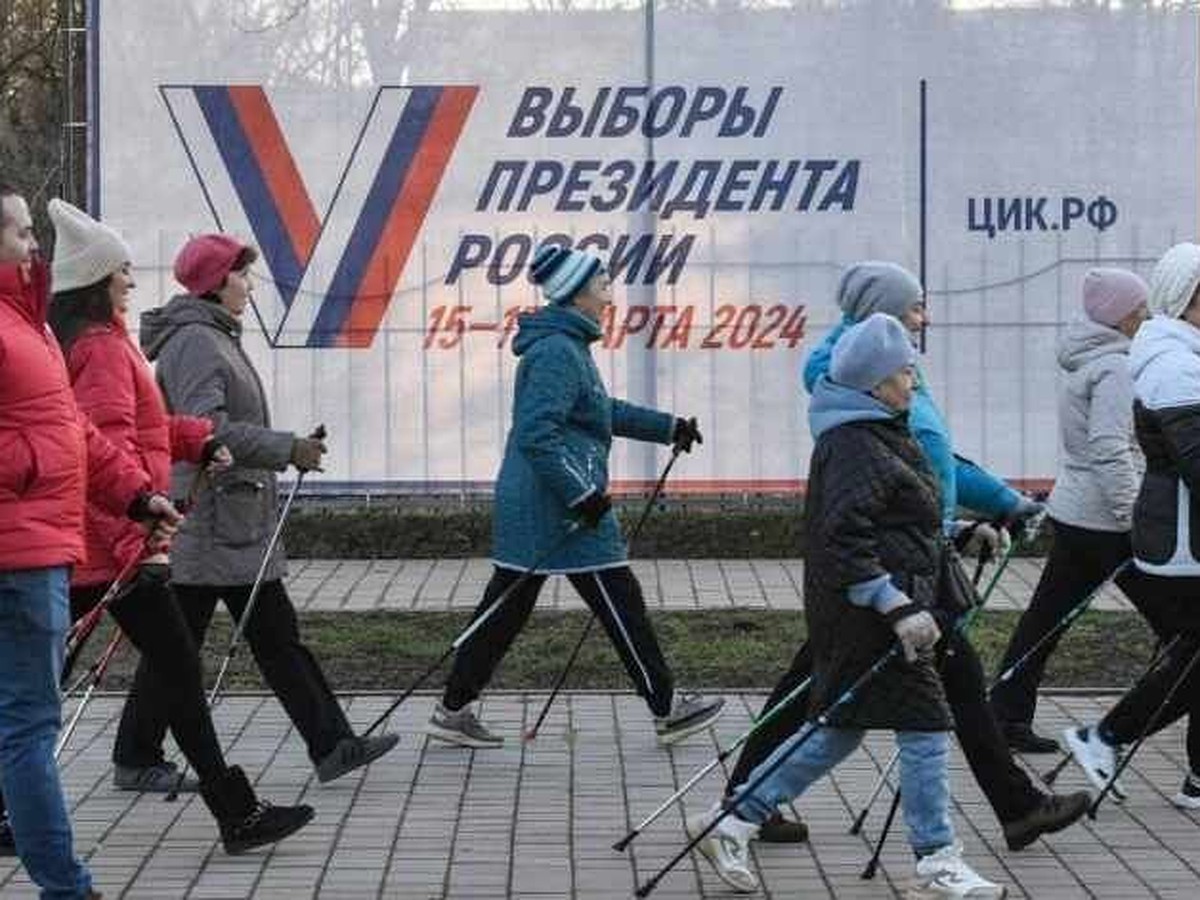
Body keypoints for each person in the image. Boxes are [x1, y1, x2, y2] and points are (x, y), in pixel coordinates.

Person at [724, 261, 1088, 852]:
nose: (925, 317)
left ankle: (1015, 809)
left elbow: (937, 466)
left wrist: (994, 509)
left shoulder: (897, 377)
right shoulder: (868, 386)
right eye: (915, 307)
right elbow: (878, 494)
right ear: (882, 316)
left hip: (917, 563)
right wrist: (919, 559)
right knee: (828, 701)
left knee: (948, 686)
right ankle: (746, 804)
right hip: (887, 581)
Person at [688, 313, 1005, 898]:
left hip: (881, 609)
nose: (914, 381)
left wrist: (957, 532)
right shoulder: (855, 441)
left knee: (839, 731)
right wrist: (895, 607)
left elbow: (892, 518)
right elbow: (843, 539)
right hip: (875, 616)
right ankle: (937, 860)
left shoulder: (880, 427)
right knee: (927, 725)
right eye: (905, 371)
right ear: (875, 381)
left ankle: (734, 819)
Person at [39, 199, 315, 856]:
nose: (133, 282)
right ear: (97, 283)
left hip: (111, 541)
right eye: (122, 272)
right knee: (52, 677)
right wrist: (141, 519)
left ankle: (234, 810)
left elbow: (138, 430)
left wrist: (192, 439)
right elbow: (102, 446)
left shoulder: (105, 345)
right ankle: (233, 810)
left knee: (156, 669)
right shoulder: (103, 350)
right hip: (113, 544)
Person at [115, 233, 398, 785]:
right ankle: (137, 756)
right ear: (216, 283)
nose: (249, 285)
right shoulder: (197, 340)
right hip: (210, 520)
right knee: (188, 647)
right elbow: (208, 429)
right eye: (241, 275)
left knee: (262, 639)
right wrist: (285, 447)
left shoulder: (214, 333)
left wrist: (283, 446)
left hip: (230, 523)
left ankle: (331, 744)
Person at [426, 243, 724, 748]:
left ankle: (453, 709)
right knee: (620, 603)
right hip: (560, 508)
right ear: (577, 292)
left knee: (504, 613)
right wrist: (582, 495)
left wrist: (668, 426)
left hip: (545, 502)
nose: (610, 294)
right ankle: (667, 708)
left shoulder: (568, 346)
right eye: (603, 284)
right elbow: (536, 434)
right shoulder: (558, 351)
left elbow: (598, 410)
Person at [0, 183, 175, 899]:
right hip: (22, 557)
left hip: (36, 552)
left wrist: (136, 496)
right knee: (28, 730)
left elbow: (75, 432)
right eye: (15, 232)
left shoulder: (28, 327)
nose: (31, 243)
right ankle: (65, 887)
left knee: (19, 726)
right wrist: (30, 468)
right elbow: (49, 443)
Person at [991, 269, 1149, 752]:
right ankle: (1110, 736)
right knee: (1183, 629)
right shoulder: (1116, 369)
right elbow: (1109, 448)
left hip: (1077, 512)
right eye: (1141, 309)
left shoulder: (1090, 361)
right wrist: (1136, 515)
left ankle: (1004, 717)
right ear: (1124, 316)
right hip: (1109, 520)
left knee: (1045, 618)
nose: (1148, 316)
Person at [1066, 243, 1200, 810]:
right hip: (1181, 537)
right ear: (1186, 298)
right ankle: (1105, 735)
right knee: (1193, 655)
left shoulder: (1184, 353)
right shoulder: (1173, 362)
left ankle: (1195, 777)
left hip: (1183, 533)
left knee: (1194, 654)